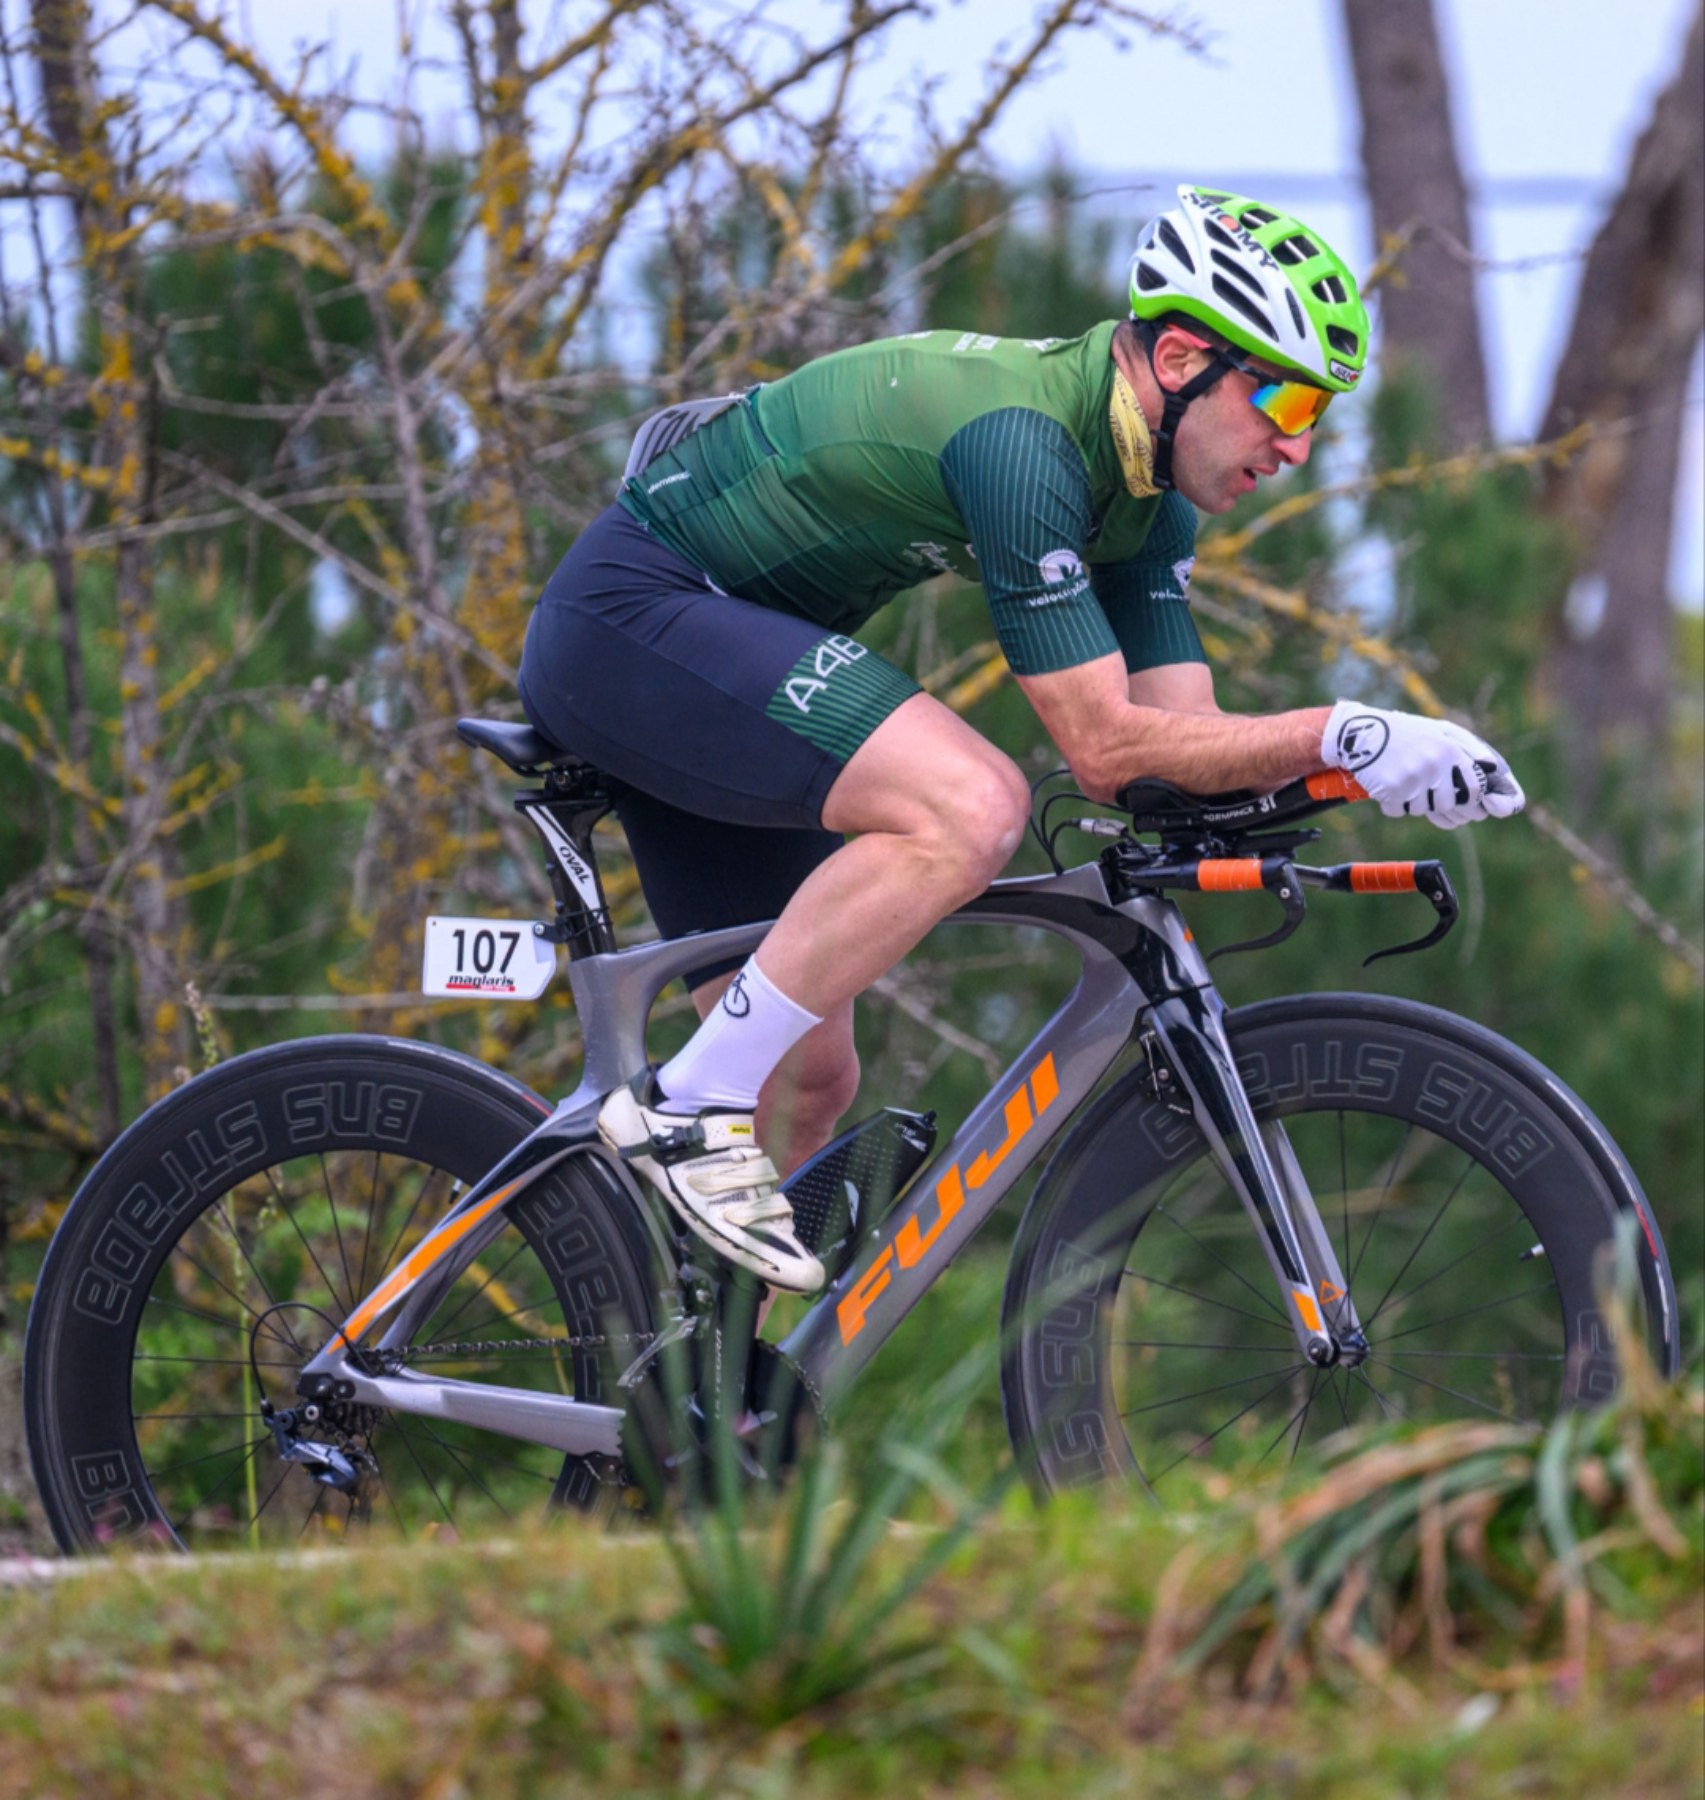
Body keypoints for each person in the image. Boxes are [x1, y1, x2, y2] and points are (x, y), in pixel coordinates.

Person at [517, 184, 1525, 1296]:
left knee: (807, 1082)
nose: (1294, 447)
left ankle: (689, 1418)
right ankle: (679, 1109)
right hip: (626, 623)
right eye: (1282, 402)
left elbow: (1173, 747)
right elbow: (1101, 747)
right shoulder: (1024, 442)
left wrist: (1348, 771)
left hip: (709, 675)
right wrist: (1347, 726)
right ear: (1183, 357)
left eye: (1317, 418)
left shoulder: (1148, 498)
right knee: (972, 805)